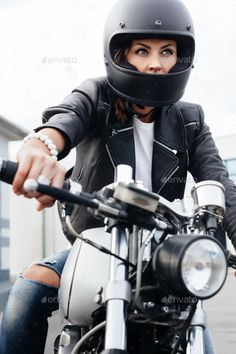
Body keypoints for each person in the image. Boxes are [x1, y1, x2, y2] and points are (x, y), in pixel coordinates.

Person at [0, 0, 236, 353]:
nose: (156, 63)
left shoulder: (191, 119)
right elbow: (64, 120)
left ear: (180, 58)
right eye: (142, 50)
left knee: (194, 324)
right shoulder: (96, 96)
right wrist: (40, 146)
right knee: (30, 287)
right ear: (122, 56)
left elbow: (220, 183)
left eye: (167, 51)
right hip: (98, 241)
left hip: (164, 249)